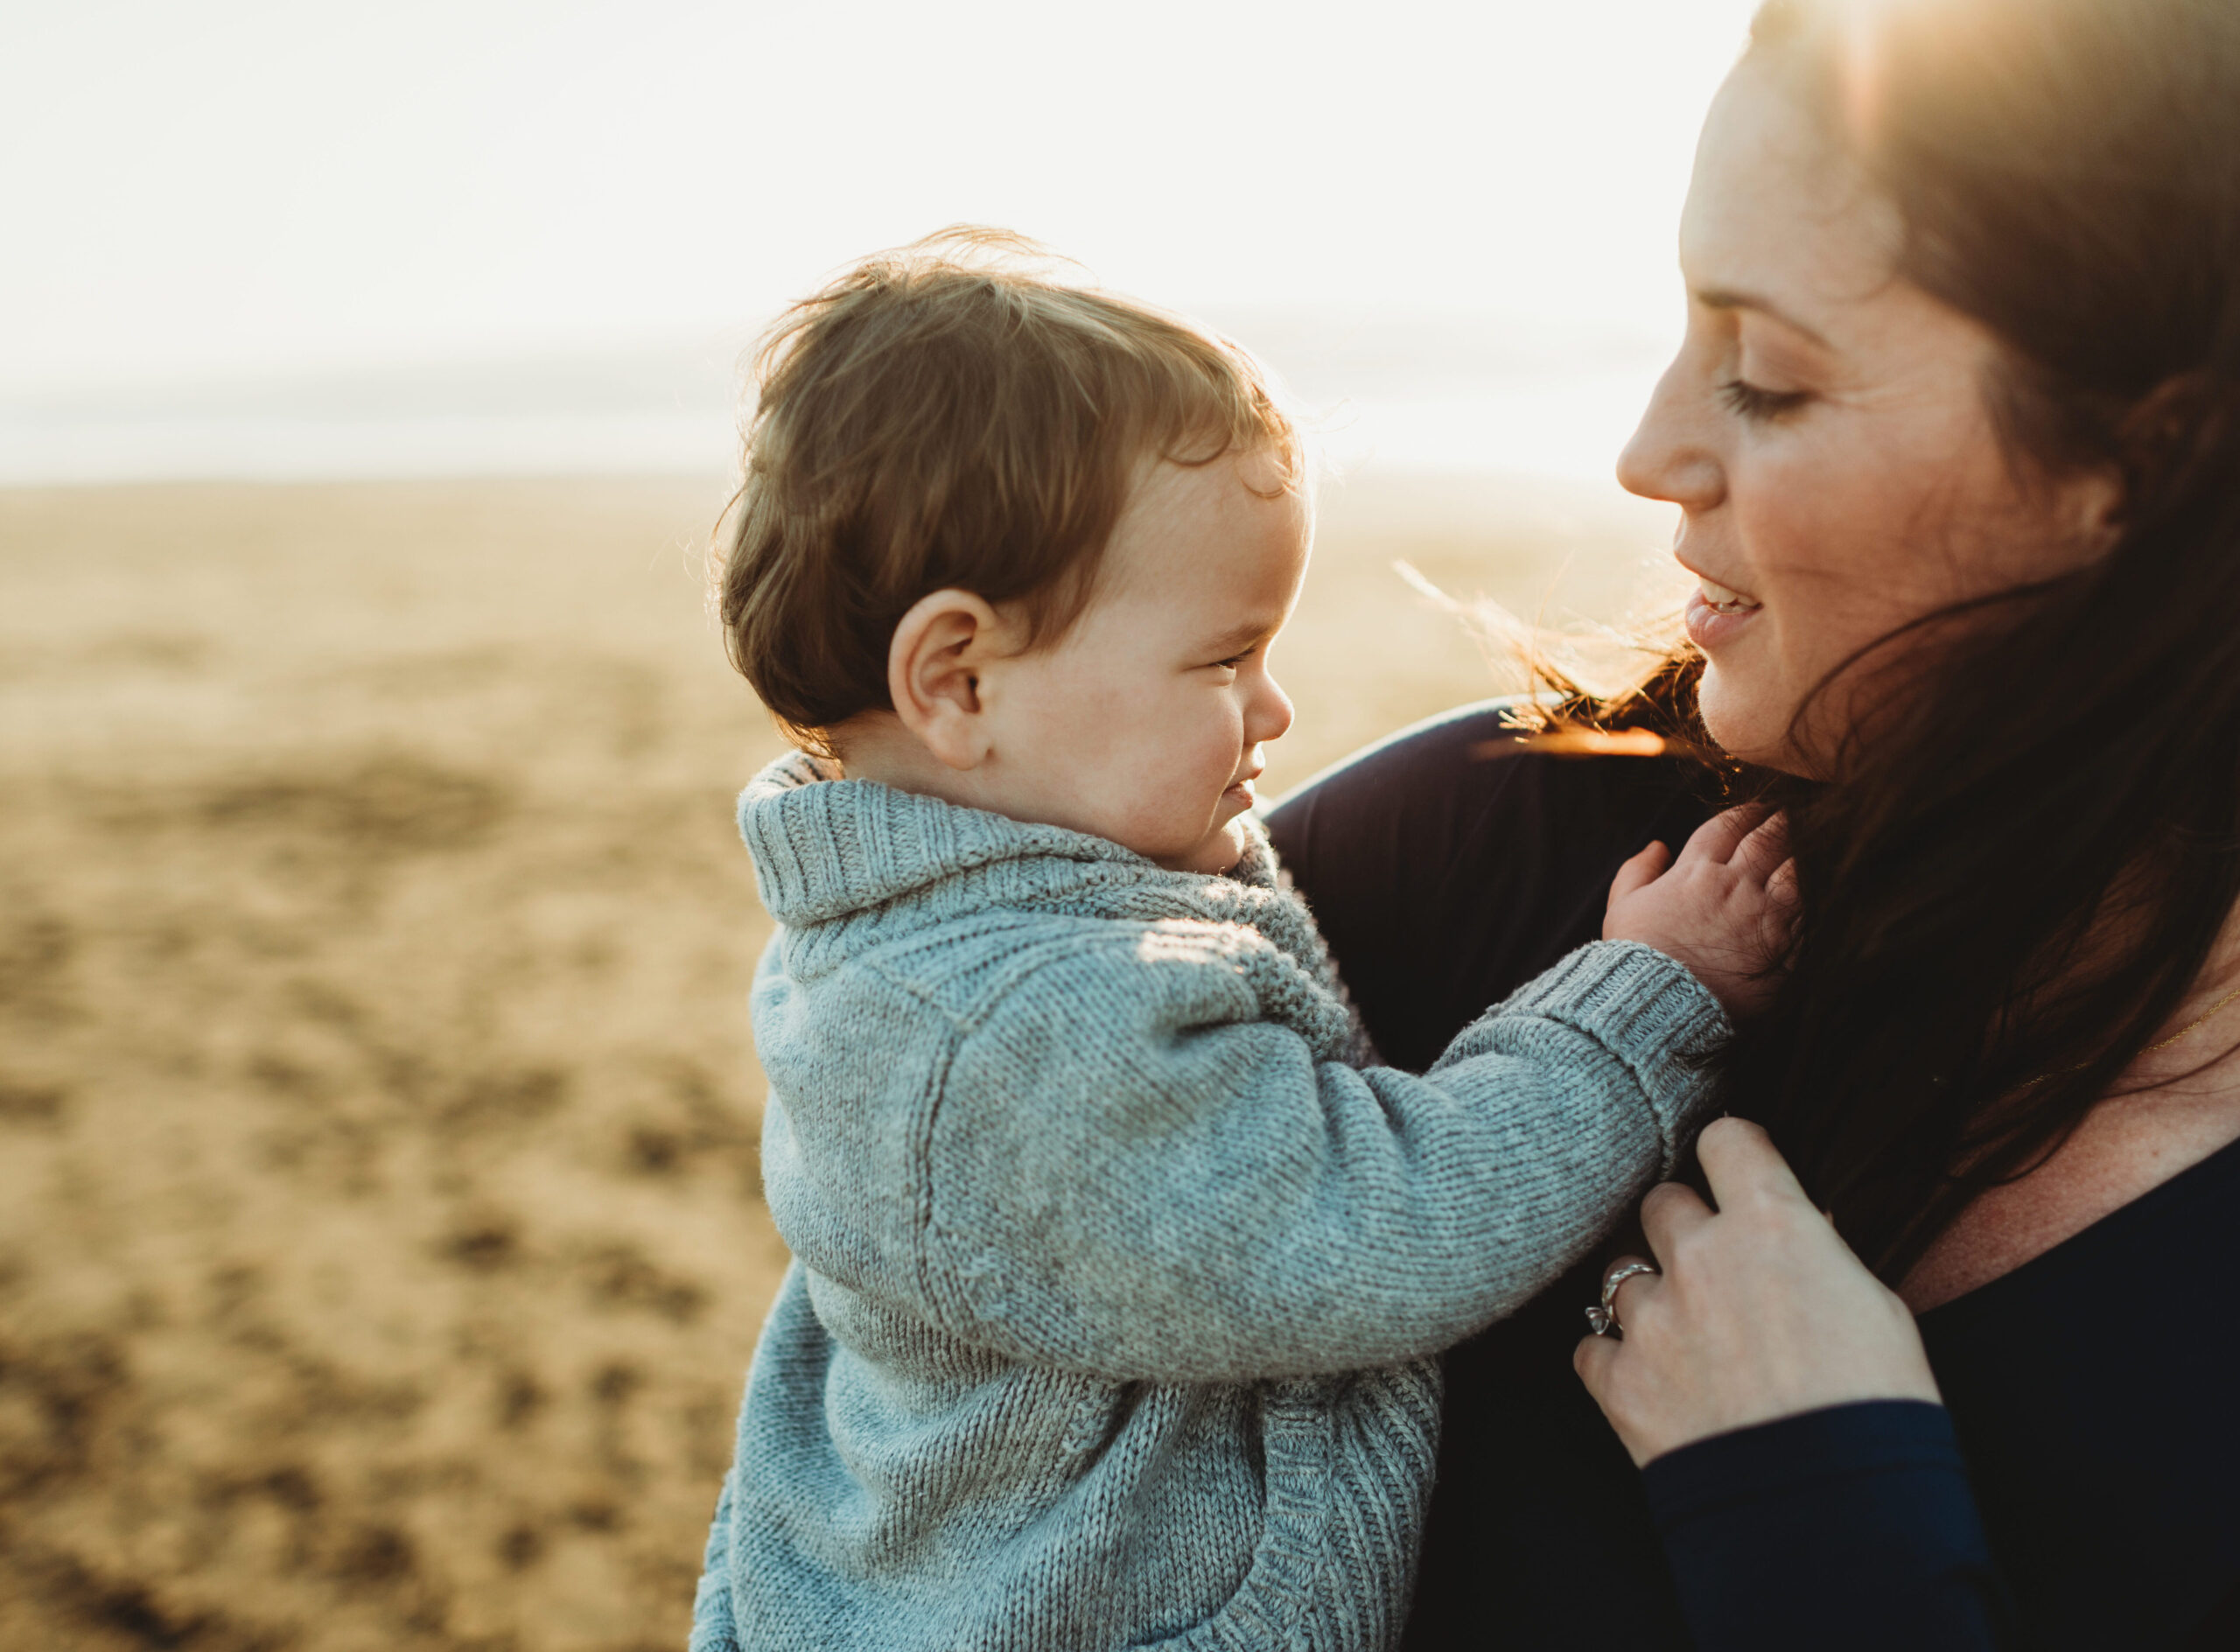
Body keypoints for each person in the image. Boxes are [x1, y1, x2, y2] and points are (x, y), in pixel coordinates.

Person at [1267, 0, 2240, 1646]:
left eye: (1768, 378)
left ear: (2145, 473)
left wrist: (1827, 1529)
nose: (1647, 453)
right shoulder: (1476, 849)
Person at [685, 231, 1794, 1652]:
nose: (1273, 711)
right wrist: (1648, 998)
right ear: (958, 680)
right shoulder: (1027, 1029)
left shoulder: (927, 931)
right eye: (1221, 661)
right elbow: (1380, 1225)